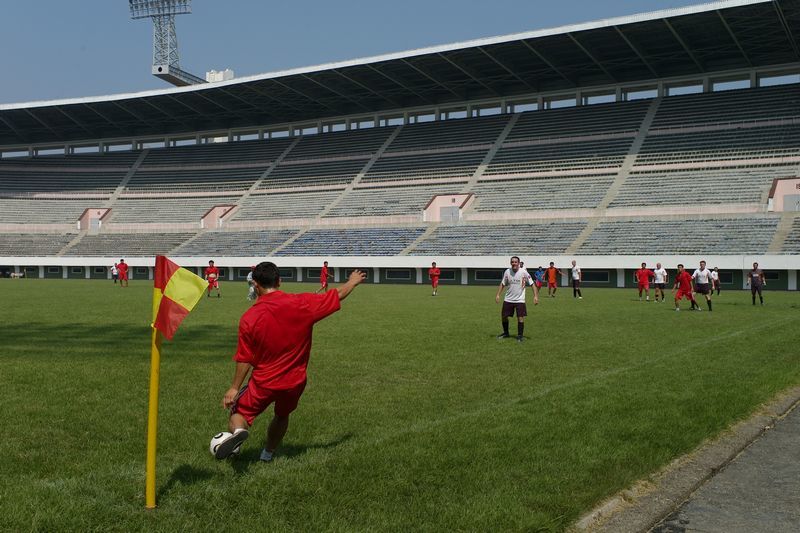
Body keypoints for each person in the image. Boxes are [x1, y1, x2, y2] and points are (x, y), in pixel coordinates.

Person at [215, 262, 366, 461]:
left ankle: (237, 434)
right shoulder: (302, 303)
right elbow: (336, 294)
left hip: (264, 382)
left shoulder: (249, 317)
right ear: (279, 281)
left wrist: (234, 388)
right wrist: (352, 282)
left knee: (239, 412)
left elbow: (245, 357)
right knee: (282, 415)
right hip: (295, 382)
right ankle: (267, 454)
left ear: (255, 284)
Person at [495, 256, 534, 343]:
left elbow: (532, 284)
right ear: (510, 263)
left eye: (516, 262)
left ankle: (520, 336)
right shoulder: (507, 271)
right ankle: (506, 333)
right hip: (508, 298)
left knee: (520, 318)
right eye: (512, 262)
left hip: (520, 300)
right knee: (504, 317)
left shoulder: (524, 272)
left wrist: (535, 296)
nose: (514, 263)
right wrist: (498, 295)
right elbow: (503, 283)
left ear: (519, 263)